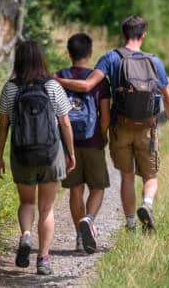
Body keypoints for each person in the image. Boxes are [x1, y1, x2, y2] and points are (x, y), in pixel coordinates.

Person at [55, 15, 169, 232]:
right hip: (146, 128)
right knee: (150, 175)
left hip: (120, 127)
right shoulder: (154, 61)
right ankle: (147, 204)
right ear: (143, 35)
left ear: (123, 34)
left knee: (127, 175)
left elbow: (87, 85)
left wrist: (58, 80)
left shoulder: (110, 58)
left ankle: (130, 223)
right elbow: (167, 97)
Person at [0, 40, 76, 276]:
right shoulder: (52, 86)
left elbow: (3, 125)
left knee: (27, 202)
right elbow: (65, 122)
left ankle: (26, 236)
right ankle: (43, 259)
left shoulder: (11, 88)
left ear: (19, 60)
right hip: (51, 154)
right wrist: (71, 153)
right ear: (41, 59)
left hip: (22, 155)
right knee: (47, 208)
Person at [57, 33, 111, 254]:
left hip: (67, 141)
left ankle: (80, 238)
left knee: (75, 189)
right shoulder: (98, 80)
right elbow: (105, 116)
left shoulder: (59, 76)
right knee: (98, 187)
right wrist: (102, 134)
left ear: (69, 53)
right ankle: (88, 219)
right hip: (93, 139)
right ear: (90, 53)